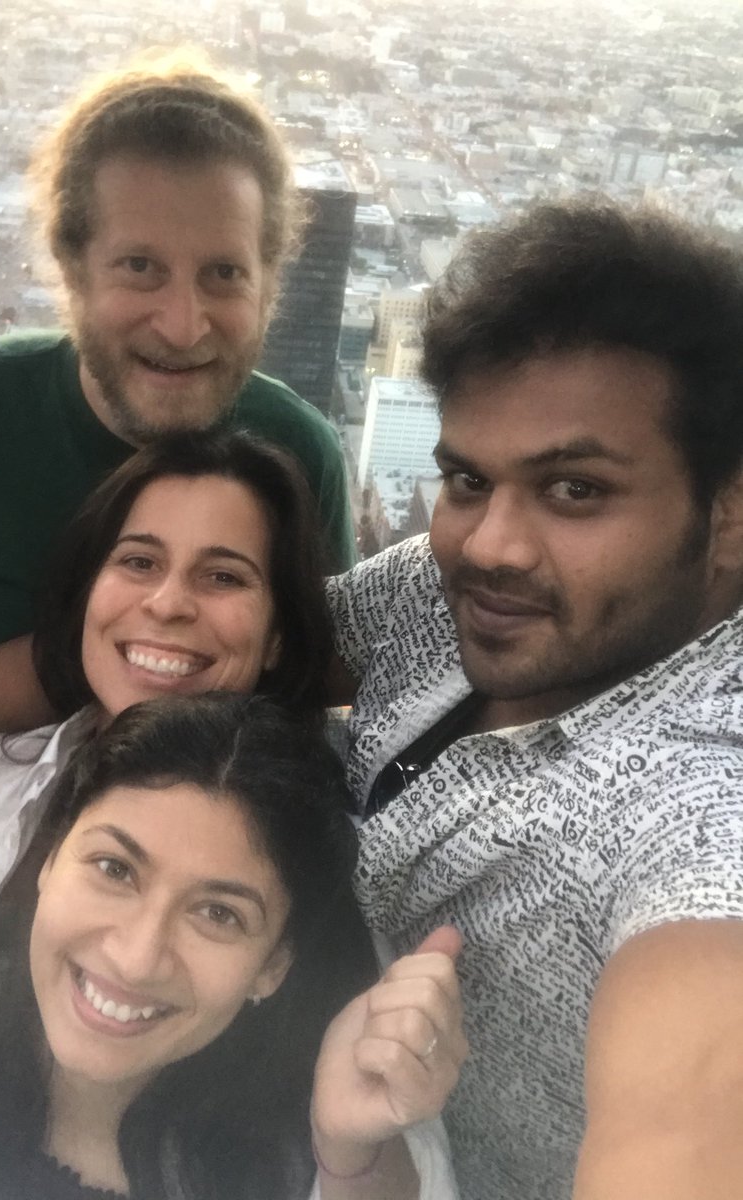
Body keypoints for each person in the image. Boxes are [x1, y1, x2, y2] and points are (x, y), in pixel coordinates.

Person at [327, 200, 743, 1200]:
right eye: (467, 480)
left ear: (728, 515)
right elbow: (228, 650)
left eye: (574, 491)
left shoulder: (702, 805)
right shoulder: (444, 590)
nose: (490, 544)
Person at [0, 49, 355, 767]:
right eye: (140, 267)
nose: (183, 325)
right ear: (72, 268)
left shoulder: (297, 451)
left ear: (269, 286)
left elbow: (318, 682)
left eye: (224, 273)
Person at [0, 693, 465, 1200]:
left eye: (219, 914)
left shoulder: (326, 1132)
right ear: (50, 859)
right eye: (115, 869)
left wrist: (350, 1157)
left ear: (272, 966)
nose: (136, 959)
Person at [0, 428, 335, 910]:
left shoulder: (324, 862)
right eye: (139, 561)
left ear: (276, 638)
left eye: (223, 576)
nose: (167, 604)